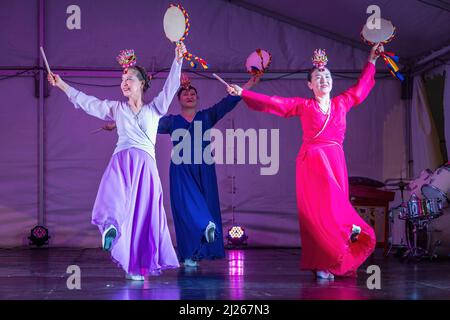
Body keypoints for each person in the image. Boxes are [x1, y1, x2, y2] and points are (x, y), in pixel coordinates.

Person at [227, 44, 383, 279]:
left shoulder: (341, 103)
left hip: (335, 161)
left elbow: (360, 89)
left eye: (327, 76)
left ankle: (336, 255)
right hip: (312, 162)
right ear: (310, 84)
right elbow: (275, 102)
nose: (324, 80)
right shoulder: (304, 105)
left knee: (335, 209)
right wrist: (243, 93)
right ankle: (321, 261)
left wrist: (371, 62)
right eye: (318, 77)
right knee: (316, 213)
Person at [47, 45, 186, 280]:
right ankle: (111, 227)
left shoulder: (156, 108)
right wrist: (61, 85)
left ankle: (137, 266)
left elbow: (172, 85)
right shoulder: (116, 108)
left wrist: (178, 59)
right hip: (121, 161)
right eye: (122, 79)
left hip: (146, 167)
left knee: (143, 216)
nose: (124, 82)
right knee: (113, 197)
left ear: (142, 83)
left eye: (130, 78)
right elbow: (87, 102)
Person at [157, 74, 259, 267]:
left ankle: (197, 250)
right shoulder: (170, 121)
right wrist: (117, 123)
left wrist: (249, 84)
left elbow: (230, 101)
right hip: (181, 169)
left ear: (197, 98)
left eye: (192, 93)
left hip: (204, 168)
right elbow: (143, 122)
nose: (189, 95)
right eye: (185, 93)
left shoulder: (206, 116)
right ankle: (190, 249)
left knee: (204, 203)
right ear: (178, 100)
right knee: (184, 209)